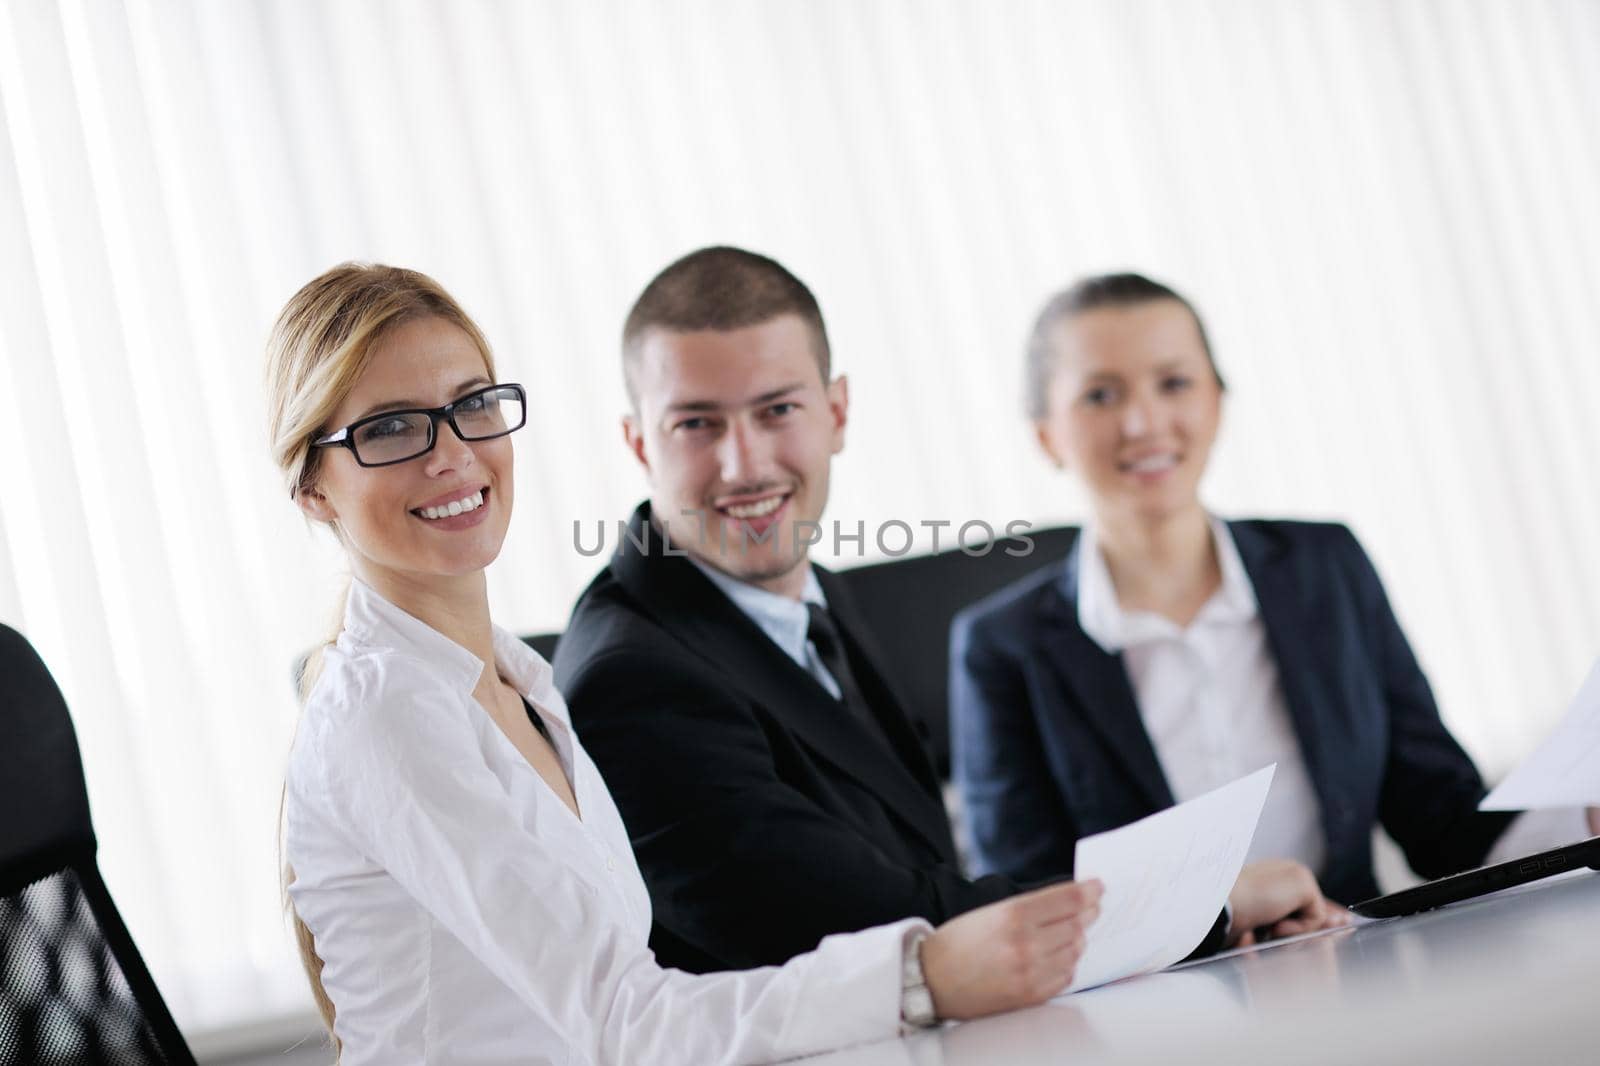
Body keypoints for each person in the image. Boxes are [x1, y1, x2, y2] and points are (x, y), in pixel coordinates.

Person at [271, 263, 1113, 1066]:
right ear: (311, 489)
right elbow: (625, 1021)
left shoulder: (517, 682)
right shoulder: (389, 711)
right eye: (390, 428)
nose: (451, 454)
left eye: (472, 405)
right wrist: (918, 975)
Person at [554, 246, 1339, 976]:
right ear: (637, 443)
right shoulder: (631, 681)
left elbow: (922, 873)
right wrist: (1207, 905)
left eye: (777, 410)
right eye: (697, 423)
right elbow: (879, 931)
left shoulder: (809, 595)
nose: (745, 462)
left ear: (838, 413)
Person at [949, 272, 1600, 904]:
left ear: (1218, 402)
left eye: (1174, 383)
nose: (1143, 422)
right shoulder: (1003, 647)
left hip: (1359, 971)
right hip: (1158, 1008)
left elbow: (1443, 827)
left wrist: (1580, 817)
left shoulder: (1325, 569)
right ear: (1046, 435)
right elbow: (1027, 905)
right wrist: (1227, 916)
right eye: (1100, 395)